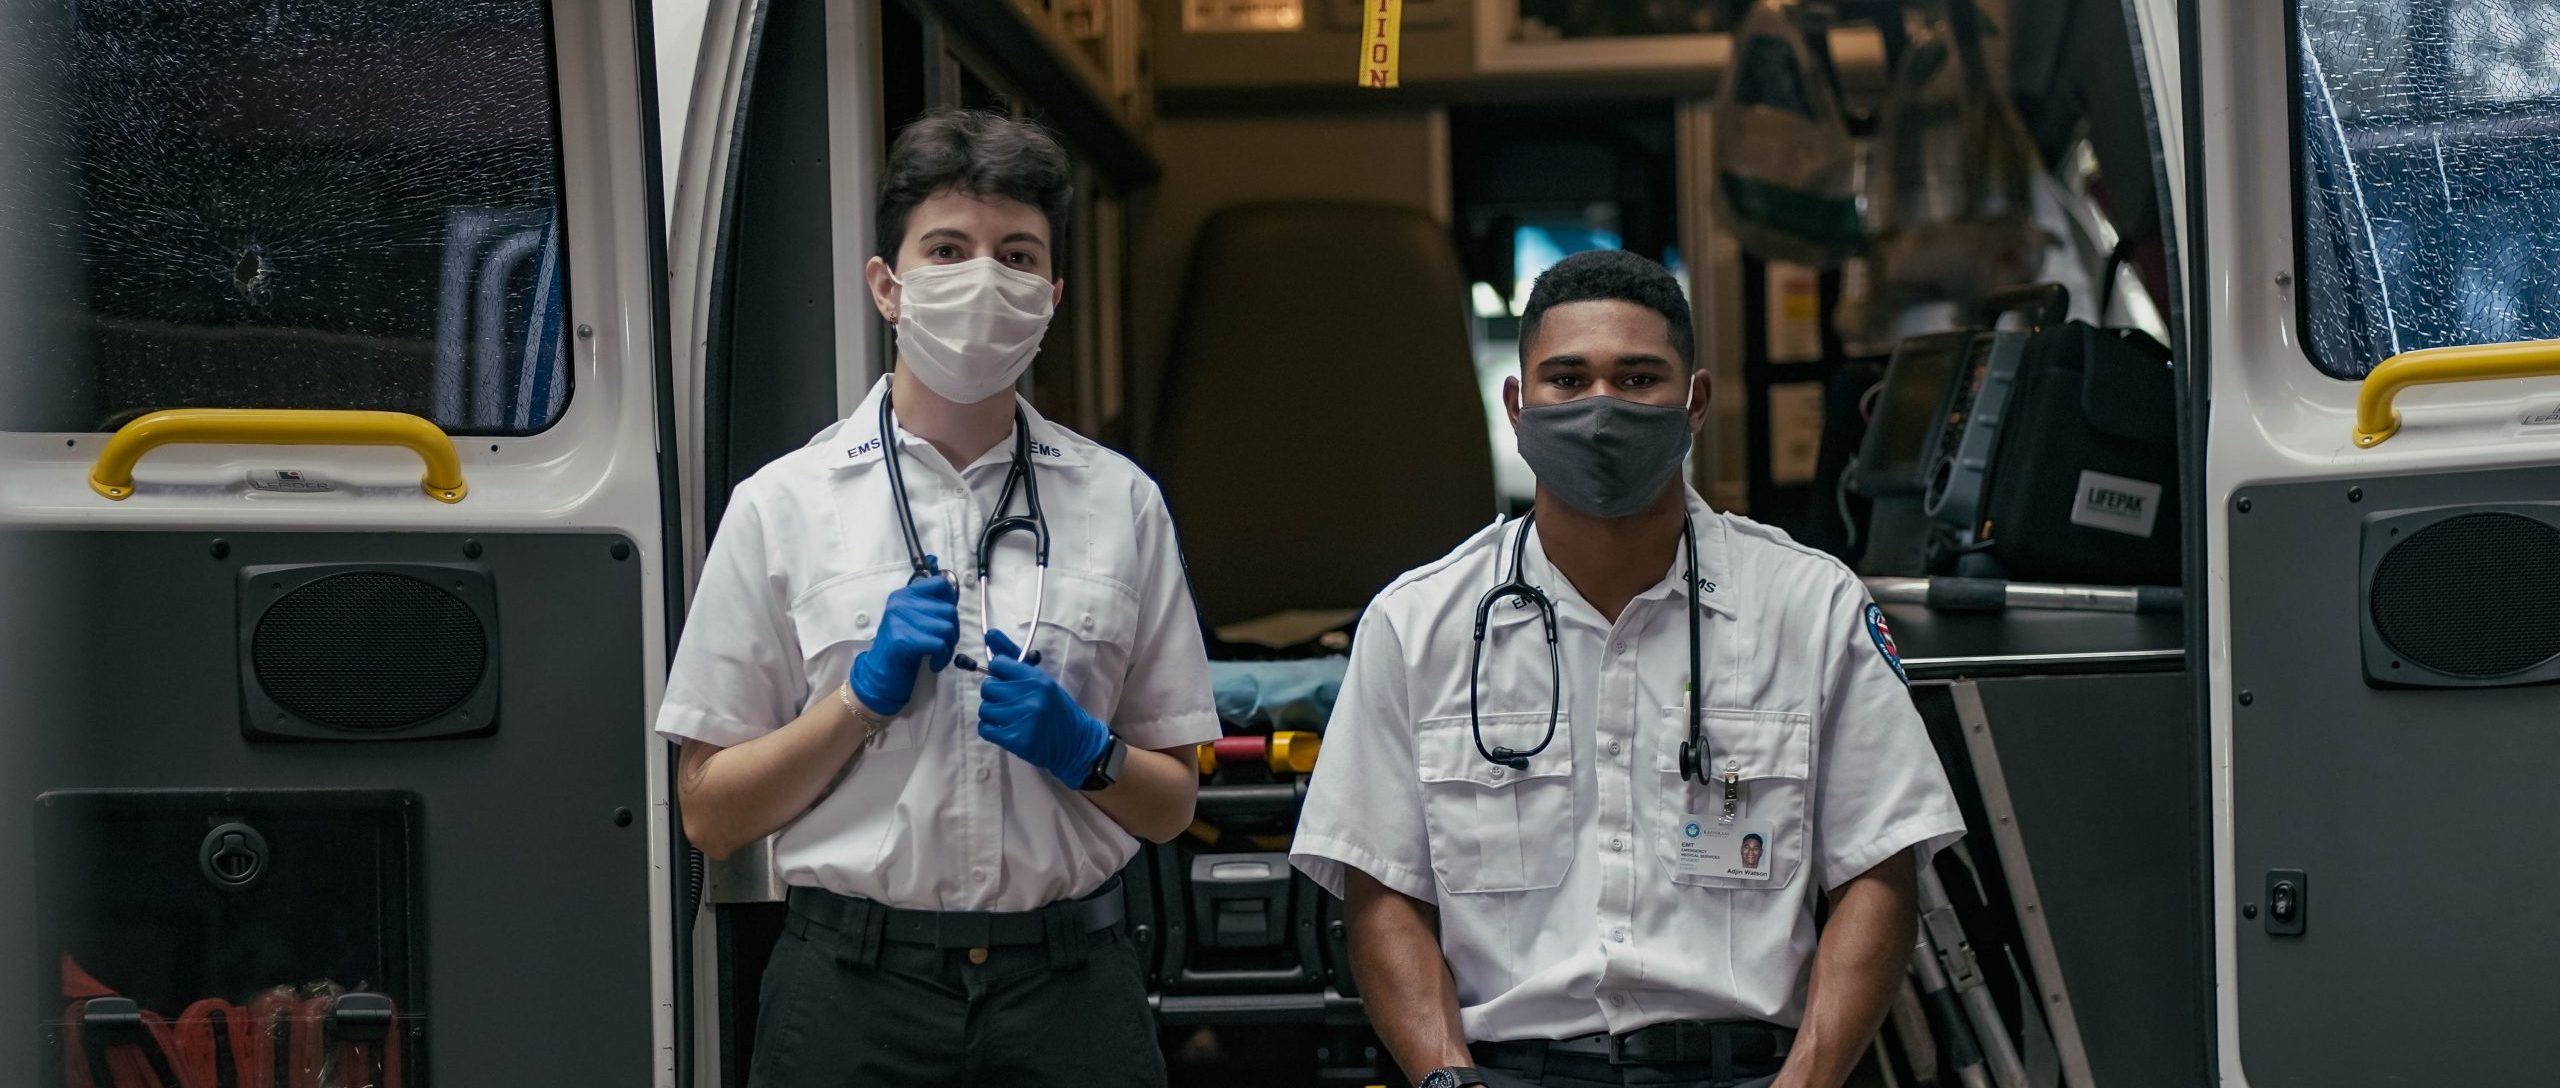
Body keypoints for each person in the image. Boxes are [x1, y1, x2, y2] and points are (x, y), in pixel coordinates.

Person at [1291, 249, 1966, 1088]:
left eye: (1639, 378)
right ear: (1516, 403)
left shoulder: (1810, 606)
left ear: (1696, 403)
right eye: (1567, 380)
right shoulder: (1417, 623)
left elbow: (1878, 870)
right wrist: (1445, 1075)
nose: (1602, 408)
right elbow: (1383, 890)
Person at [655, 109, 1217, 1088]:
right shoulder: (782, 505)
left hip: (1069, 985)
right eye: (948, 248)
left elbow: (1170, 802)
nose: (982, 278)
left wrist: (1087, 751)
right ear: (888, 282)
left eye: (1016, 253)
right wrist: (857, 702)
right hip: (851, 987)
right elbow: (709, 814)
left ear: (1050, 293)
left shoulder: (1121, 502)